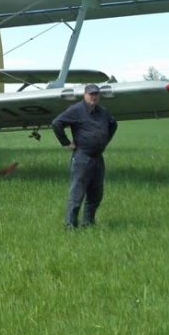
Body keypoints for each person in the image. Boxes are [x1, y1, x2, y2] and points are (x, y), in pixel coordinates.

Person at [51, 84, 118, 228]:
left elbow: (113, 124)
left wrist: (104, 141)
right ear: (84, 95)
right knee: (77, 193)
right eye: (90, 94)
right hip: (82, 157)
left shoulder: (102, 112)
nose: (93, 97)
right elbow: (56, 123)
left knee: (96, 193)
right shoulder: (76, 110)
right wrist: (66, 143)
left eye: (96, 94)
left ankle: (88, 223)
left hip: (97, 158)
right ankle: (70, 225)